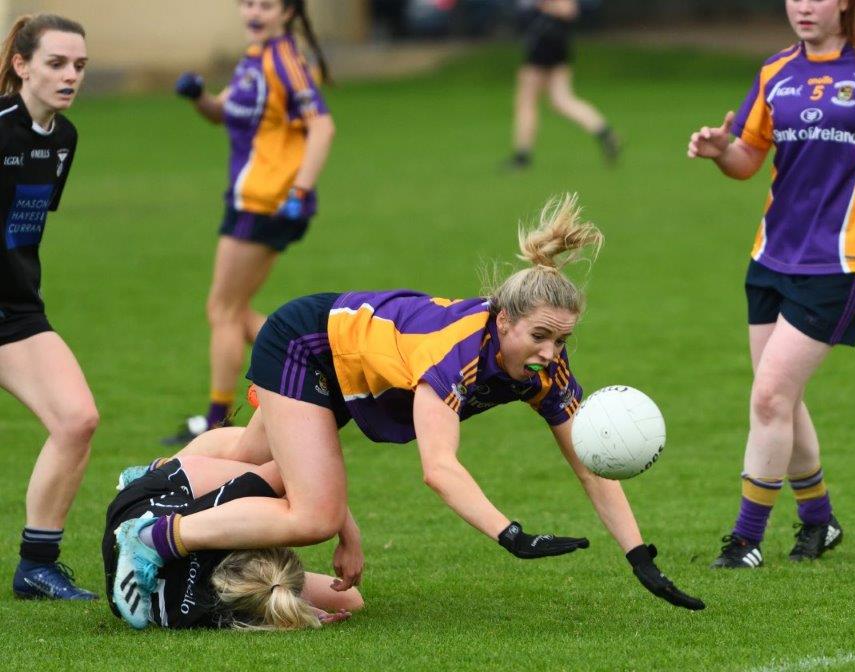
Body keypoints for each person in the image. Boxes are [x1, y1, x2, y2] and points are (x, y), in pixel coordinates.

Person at [114, 194, 705, 619]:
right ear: (503, 321)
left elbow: (587, 460)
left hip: (347, 364)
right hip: (306, 345)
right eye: (540, 337)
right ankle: (157, 537)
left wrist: (639, 555)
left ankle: (162, 481)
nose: (551, 354)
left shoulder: (541, 369)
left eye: (562, 341)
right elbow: (439, 467)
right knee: (315, 514)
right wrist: (511, 535)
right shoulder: (455, 357)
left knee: (253, 460)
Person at [686, 0, 855, 568]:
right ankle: (819, 522)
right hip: (772, 256)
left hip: (843, 262)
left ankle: (747, 539)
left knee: (771, 395)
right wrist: (718, 151)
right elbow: (748, 157)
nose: (802, 5)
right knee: (780, 397)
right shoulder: (775, 72)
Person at [163, 0, 336, 444]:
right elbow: (222, 114)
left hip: (269, 200)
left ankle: (217, 419)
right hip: (251, 199)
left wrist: (300, 190)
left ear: (287, 12)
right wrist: (198, 96)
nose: (254, 12)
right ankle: (323, 369)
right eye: (248, 3)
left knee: (222, 310)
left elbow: (322, 125)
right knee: (232, 311)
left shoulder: (284, 59)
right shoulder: (254, 59)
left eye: (266, 4)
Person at [0, 14, 98, 600]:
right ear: (22, 65)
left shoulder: (64, 138)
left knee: (76, 419)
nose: (70, 76)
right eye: (57, 63)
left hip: (16, 311)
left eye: (79, 66)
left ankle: (36, 566)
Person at [104, 453, 363, 629]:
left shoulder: (222, 525)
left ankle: (151, 491)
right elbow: (350, 598)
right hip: (116, 568)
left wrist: (349, 537)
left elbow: (294, 464)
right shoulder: (216, 614)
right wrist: (296, 612)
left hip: (140, 502)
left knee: (251, 449)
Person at [505, 0, 620, 170]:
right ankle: (605, 133)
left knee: (526, 101)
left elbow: (567, 10)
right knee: (561, 100)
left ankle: (522, 156)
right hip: (558, 42)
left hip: (544, 43)